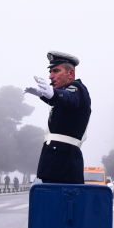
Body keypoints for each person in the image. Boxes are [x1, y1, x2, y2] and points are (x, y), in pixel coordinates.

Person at [23, 51, 91, 184]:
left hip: (63, 164)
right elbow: (63, 104)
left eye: (56, 71)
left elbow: (69, 99)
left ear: (70, 73)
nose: (50, 76)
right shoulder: (67, 91)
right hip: (58, 163)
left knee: (60, 203)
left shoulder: (76, 88)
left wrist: (53, 94)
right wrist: (44, 96)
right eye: (50, 72)